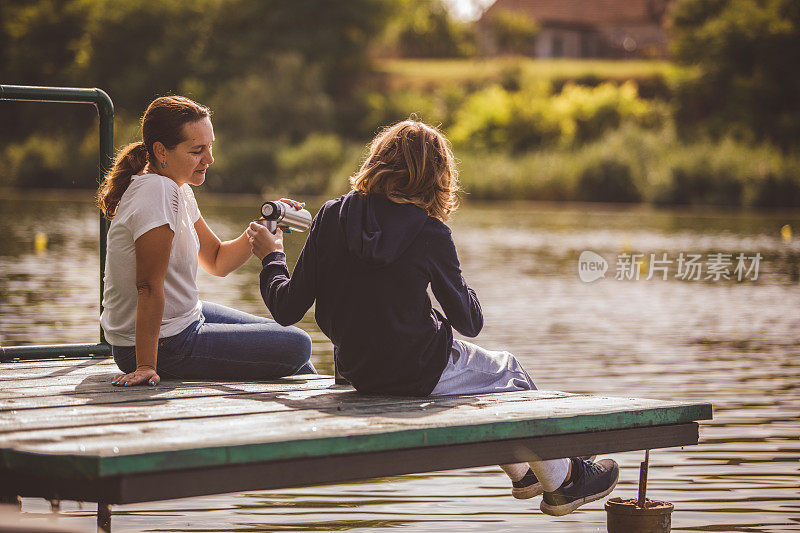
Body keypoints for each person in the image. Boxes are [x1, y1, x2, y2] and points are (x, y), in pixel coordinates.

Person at [246, 120, 618, 516]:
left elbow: (286, 309)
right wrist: (454, 275)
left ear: (376, 162)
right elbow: (470, 321)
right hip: (419, 369)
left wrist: (273, 256)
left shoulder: (330, 216)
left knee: (486, 384)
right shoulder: (429, 232)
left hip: (357, 370)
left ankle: (526, 474)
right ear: (436, 178)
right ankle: (563, 481)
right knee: (508, 372)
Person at [97, 95, 314, 388]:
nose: (209, 159)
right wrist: (146, 366)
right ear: (161, 150)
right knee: (297, 345)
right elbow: (147, 285)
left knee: (290, 346)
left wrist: (266, 226)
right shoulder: (157, 192)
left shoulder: (178, 189)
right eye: (197, 150)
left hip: (183, 322)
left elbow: (216, 259)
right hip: (160, 344)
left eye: (210, 147)